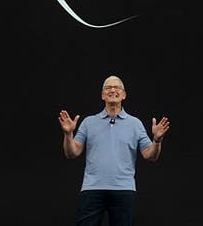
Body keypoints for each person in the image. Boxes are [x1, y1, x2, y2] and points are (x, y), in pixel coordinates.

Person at [58, 75, 171, 226]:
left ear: (123, 95)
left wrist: (157, 140)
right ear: (102, 95)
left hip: (123, 189)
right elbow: (72, 153)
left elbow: (150, 155)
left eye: (117, 87)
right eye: (108, 88)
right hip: (92, 189)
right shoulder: (88, 123)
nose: (112, 90)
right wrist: (68, 134)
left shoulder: (135, 124)